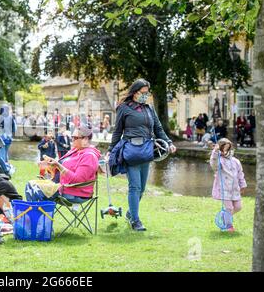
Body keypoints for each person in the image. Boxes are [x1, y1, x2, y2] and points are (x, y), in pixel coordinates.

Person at [106, 79, 176, 231]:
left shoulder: (149, 108)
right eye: (143, 93)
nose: (146, 95)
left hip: (146, 151)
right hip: (131, 151)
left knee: (142, 189)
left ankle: (130, 213)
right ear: (135, 92)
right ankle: (135, 221)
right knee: (134, 187)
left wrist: (169, 143)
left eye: (147, 93)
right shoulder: (124, 108)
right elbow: (117, 131)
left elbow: (158, 128)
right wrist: (111, 150)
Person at [26, 124, 101, 203]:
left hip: (75, 192)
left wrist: (58, 165)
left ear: (85, 139)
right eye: (72, 137)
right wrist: (48, 164)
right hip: (63, 185)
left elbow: (77, 180)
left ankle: (38, 214)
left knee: (32, 187)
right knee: (31, 185)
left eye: (75, 138)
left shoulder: (89, 156)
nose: (72, 139)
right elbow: (63, 165)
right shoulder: (75, 150)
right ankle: (40, 214)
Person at [210, 138, 247, 232]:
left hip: (235, 188)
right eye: (223, 148)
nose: (225, 150)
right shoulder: (219, 160)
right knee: (229, 208)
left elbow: (240, 174)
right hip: (224, 188)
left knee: (238, 207)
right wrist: (215, 152)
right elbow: (213, 165)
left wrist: (243, 185)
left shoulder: (236, 161)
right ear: (220, 149)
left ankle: (224, 216)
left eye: (227, 148)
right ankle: (228, 226)